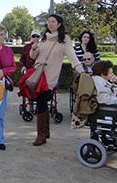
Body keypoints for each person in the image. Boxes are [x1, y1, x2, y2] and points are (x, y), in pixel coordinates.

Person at [30, 14, 84, 146]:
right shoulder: (44, 39)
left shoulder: (64, 39)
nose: (50, 24)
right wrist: (33, 49)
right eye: (48, 22)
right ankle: (45, 132)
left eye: (53, 21)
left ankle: (41, 135)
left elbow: (72, 57)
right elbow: (33, 57)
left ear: (59, 24)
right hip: (38, 75)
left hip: (49, 78)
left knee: (41, 104)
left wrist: (82, 71)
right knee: (41, 103)